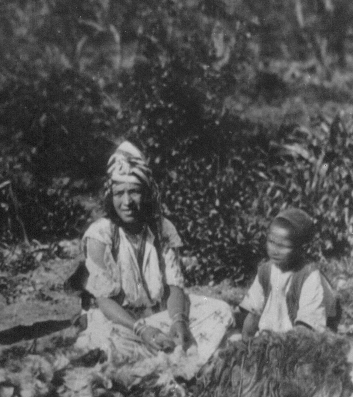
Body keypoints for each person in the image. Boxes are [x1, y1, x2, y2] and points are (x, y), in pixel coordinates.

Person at [73, 141, 234, 366]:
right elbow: (104, 300)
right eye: (119, 193)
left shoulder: (163, 229)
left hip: (158, 316)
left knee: (221, 311)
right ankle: (177, 357)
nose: (127, 202)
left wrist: (179, 321)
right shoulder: (99, 235)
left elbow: (174, 285)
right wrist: (142, 330)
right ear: (111, 196)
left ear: (146, 194)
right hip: (121, 322)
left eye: (134, 192)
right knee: (107, 343)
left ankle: (165, 354)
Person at [236, 207, 338, 337]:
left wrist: (280, 343)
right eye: (271, 242)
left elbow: (307, 328)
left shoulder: (308, 276)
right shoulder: (266, 271)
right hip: (266, 338)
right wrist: (247, 339)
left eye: (283, 246)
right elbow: (253, 311)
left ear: (302, 248)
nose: (274, 250)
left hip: (296, 340)